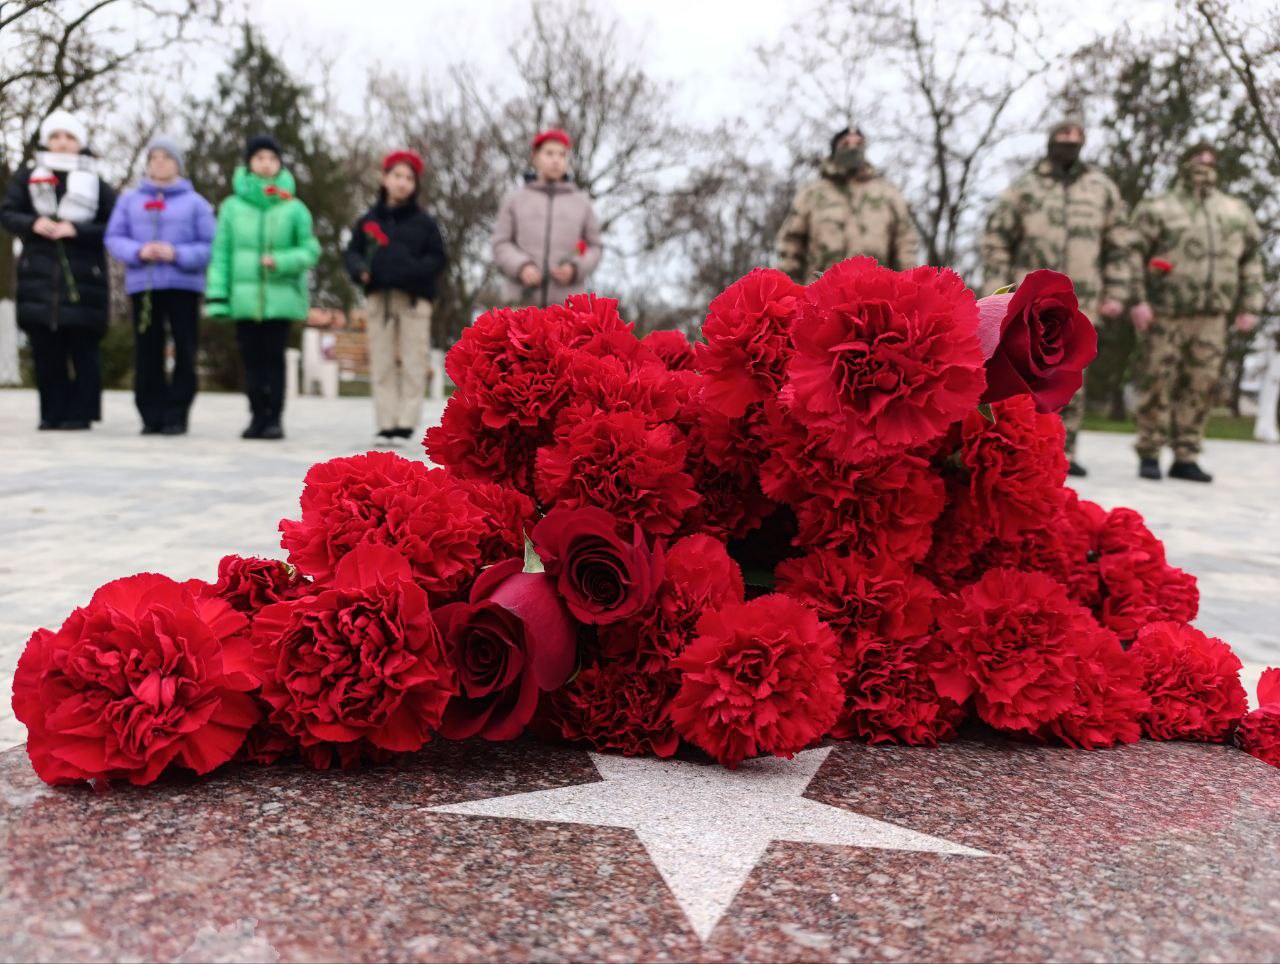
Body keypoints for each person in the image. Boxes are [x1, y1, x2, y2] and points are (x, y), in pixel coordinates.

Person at [981, 117, 1132, 478]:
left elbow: (1119, 244)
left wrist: (1118, 290)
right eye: (1063, 135)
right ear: (1050, 141)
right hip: (1026, 302)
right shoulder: (1025, 188)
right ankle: (1020, 445)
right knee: (1024, 375)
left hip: (1082, 300)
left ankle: (1066, 448)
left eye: (1076, 136)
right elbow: (996, 239)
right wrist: (995, 290)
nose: (1069, 141)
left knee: (1070, 373)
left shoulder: (1101, 189)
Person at [1128, 142, 1263, 483]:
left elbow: (1251, 261)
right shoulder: (1158, 207)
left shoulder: (1234, 211)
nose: (1204, 166)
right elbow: (1130, 254)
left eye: (1210, 160)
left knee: (1201, 386)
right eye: (1197, 159)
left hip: (1212, 316)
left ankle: (1186, 455)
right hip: (1165, 312)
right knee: (1157, 380)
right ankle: (1150, 452)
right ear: (1184, 163)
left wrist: (1250, 306)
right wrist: (1137, 301)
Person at [0, 109, 116, 430]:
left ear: (80, 143)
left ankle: (81, 413)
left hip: (84, 280)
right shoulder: (28, 177)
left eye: (69, 137)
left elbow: (114, 225)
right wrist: (34, 222)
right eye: (55, 136)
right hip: (39, 278)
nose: (62, 143)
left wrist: (76, 230)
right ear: (46, 141)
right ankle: (51, 412)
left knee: (83, 349)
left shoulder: (96, 181)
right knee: (46, 350)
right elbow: (8, 213)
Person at [205, 134, 319, 440]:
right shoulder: (231, 207)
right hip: (244, 299)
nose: (266, 163)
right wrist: (217, 296)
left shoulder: (294, 208)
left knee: (274, 360)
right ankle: (256, 415)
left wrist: (280, 260)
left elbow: (310, 250)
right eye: (259, 158)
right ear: (249, 163)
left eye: (272, 158)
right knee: (251, 361)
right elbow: (221, 253)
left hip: (280, 299)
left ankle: (274, 419)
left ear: (280, 164)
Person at [105, 135, 216, 435]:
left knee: (185, 349)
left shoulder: (196, 204)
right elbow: (114, 237)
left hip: (184, 285)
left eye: (166, 157)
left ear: (177, 163)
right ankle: (150, 414)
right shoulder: (130, 200)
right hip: (145, 284)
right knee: (147, 350)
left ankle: (177, 414)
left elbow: (210, 245)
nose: (160, 162)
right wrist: (138, 251)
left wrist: (177, 253)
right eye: (154, 157)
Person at [344, 149, 447, 446]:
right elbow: (352, 252)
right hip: (379, 298)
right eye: (397, 176)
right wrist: (360, 270)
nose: (402, 183)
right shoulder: (368, 221)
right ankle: (385, 422)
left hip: (414, 300)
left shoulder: (424, 222)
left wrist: (413, 272)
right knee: (382, 360)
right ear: (385, 178)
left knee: (414, 360)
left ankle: (406, 423)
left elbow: (438, 258)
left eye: (408, 178)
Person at [775, 125, 920, 282]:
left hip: (873, 292)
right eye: (846, 143)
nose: (852, 148)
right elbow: (791, 243)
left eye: (858, 144)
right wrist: (791, 289)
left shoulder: (888, 194)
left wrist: (906, 284)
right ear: (835, 149)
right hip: (820, 292)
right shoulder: (811, 194)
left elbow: (905, 241)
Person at [491, 128, 603, 308]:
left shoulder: (582, 202)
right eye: (549, 153)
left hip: (567, 307)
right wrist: (522, 267)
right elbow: (500, 243)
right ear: (535, 157)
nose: (556, 159)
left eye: (562, 154)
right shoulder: (515, 200)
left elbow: (595, 247)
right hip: (522, 304)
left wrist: (575, 268)